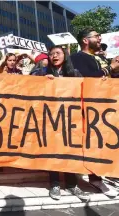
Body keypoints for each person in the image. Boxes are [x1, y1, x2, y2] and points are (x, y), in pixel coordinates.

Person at [71, 28, 119, 198]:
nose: (100, 38)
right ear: (85, 40)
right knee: (91, 143)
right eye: (96, 36)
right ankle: (94, 178)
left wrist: (118, 70)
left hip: (106, 108)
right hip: (88, 109)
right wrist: (110, 67)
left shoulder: (100, 58)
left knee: (105, 143)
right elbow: (88, 80)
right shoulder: (77, 58)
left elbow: (111, 80)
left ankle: (107, 173)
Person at [42, 46, 88, 201]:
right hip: (51, 120)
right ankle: (54, 183)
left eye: (58, 53)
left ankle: (72, 184)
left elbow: (87, 90)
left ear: (65, 56)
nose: (54, 56)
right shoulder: (43, 73)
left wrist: (101, 81)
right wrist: (43, 81)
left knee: (70, 152)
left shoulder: (75, 74)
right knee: (53, 152)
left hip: (71, 120)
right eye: (51, 54)